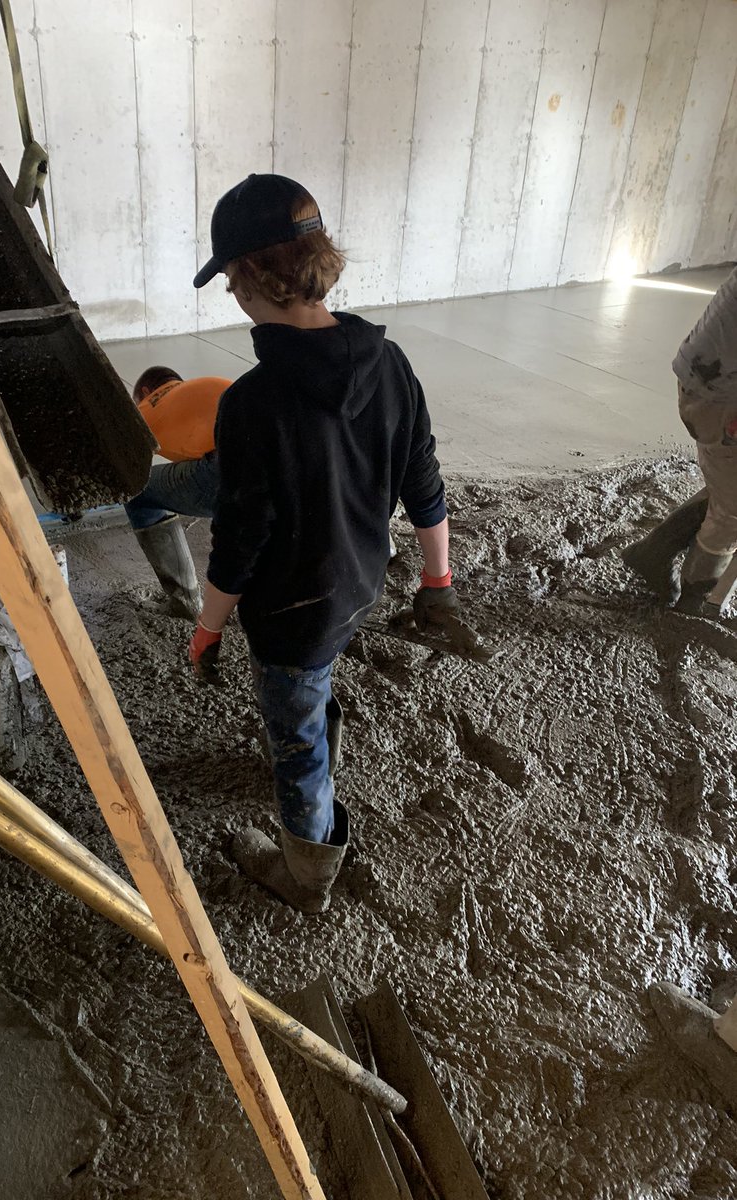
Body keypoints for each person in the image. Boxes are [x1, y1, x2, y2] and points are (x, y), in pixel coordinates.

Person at [187, 173, 462, 915]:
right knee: (312, 685)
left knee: (298, 744)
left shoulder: (251, 404)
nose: (231, 294)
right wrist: (437, 581)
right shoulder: (391, 363)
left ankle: (308, 876)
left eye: (230, 279)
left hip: (292, 613)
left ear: (251, 278)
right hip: (359, 584)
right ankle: (313, 738)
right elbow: (424, 481)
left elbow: (240, 540)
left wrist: (208, 627)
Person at [622, 267, 737, 613]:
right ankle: (694, 603)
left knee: (728, 485)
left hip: (708, 378)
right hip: (720, 393)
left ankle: (655, 551)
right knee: (733, 509)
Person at [124, 369, 230, 617]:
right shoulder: (205, 386)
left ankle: (185, 602)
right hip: (288, 470)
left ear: (146, 392)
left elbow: (118, 465)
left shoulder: (148, 408)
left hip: (231, 471)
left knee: (137, 493)